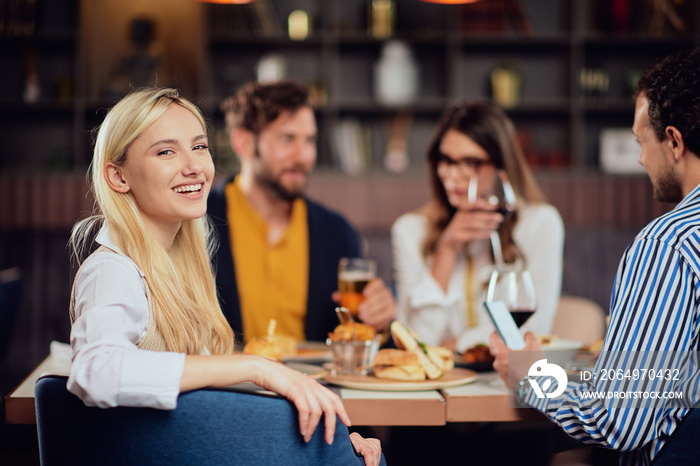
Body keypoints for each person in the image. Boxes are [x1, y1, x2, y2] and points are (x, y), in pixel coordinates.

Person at [67, 87, 383, 465]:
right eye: (166, 151)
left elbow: (205, 391)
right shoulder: (111, 270)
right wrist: (256, 366)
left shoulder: (179, 266)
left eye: (199, 147)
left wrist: (327, 434)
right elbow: (95, 372)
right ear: (118, 176)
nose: (194, 166)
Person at [490, 47, 700, 465]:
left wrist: (530, 375)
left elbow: (617, 420)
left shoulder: (667, 246)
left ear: (674, 141)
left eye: (642, 142)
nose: (640, 158)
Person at [208, 80, 395, 343]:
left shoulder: (337, 232)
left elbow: (353, 336)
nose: (304, 156)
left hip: (314, 382)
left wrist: (379, 322)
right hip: (228, 382)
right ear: (243, 142)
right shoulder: (197, 224)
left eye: (309, 140)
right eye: (288, 139)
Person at [391, 101, 564, 353]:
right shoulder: (410, 230)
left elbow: (533, 331)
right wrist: (447, 249)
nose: (451, 175)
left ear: (500, 165)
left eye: (471, 163)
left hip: (506, 379)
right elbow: (416, 342)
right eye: (445, 160)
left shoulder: (540, 224)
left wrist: (459, 344)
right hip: (433, 386)